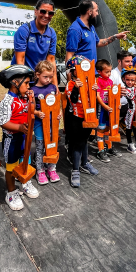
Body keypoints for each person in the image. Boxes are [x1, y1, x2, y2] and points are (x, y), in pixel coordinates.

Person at [0, 65, 39, 211]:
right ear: (15, 82)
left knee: (24, 162)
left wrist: (31, 99)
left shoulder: (24, 98)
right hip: (12, 140)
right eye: (26, 83)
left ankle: (25, 183)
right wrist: (19, 127)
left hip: (24, 140)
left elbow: (31, 111)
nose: (28, 86)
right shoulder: (7, 101)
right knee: (11, 167)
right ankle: (11, 192)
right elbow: (3, 122)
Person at [65, 56, 99, 187]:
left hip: (88, 117)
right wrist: (76, 88)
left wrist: (95, 91)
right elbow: (73, 100)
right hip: (76, 118)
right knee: (77, 144)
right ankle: (75, 170)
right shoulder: (71, 84)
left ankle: (84, 164)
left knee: (85, 141)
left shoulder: (90, 82)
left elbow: (94, 101)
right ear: (74, 71)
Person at [65, 0, 128, 67]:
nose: (97, 14)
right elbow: (69, 55)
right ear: (89, 12)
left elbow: (98, 43)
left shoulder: (91, 27)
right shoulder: (75, 29)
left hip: (93, 71)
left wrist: (116, 37)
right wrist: (70, 76)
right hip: (80, 74)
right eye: (96, 11)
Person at [11, 0, 58, 87]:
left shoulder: (52, 33)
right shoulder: (24, 30)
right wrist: (24, 85)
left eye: (50, 13)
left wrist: (55, 85)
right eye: (43, 11)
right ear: (35, 12)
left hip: (40, 79)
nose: (46, 15)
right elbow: (20, 59)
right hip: (21, 77)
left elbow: (51, 60)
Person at [31, 60, 61, 185]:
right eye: (45, 77)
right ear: (37, 75)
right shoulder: (33, 90)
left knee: (52, 145)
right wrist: (38, 113)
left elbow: (57, 102)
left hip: (53, 123)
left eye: (50, 77)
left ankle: (51, 169)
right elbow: (31, 108)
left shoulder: (53, 88)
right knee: (40, 146)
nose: (48, 79)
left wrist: (58, 112)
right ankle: (40, 170)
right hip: (39, 124)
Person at [95, 59, 119, 162]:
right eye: (106, 72)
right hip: (102, 108)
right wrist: (104, 106)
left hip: (110, 108)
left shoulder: (110, 81)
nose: (109, 74)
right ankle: (100, 150)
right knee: (101, 129)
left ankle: (109, 147)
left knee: (108, 128)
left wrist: (117, 104)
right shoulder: (98, 81)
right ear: (99, 72)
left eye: (110, 71)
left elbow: (114, 95)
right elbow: (97, 96)